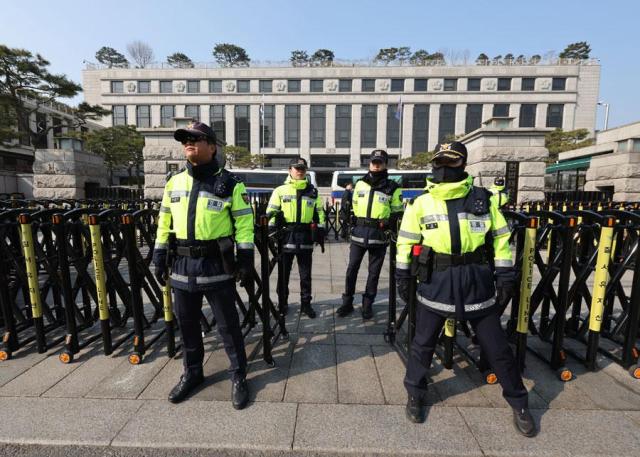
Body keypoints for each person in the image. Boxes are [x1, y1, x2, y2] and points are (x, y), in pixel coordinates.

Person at [395, 141, 536, 437]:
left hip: (476, 280)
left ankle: (519, 402)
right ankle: (415, 394)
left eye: (453, 162)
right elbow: (405, 242)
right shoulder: (420, 203)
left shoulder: (483, 200)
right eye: (441, 162)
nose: (446, 168)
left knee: (497, 349)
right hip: (436, 280)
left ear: (464, 164)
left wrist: (505, 277)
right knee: (422, 345)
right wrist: (403, 276)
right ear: (434, 164)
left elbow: (501, 240)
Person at [152, 121, 253, 409]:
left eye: (195, 138)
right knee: (187, 325)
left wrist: (245, 260)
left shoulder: (230, 184)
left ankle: (238, 376)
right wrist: (159, 256)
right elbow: (164, 222)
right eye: (184, 139)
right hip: (182, 265)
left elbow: (245, 224)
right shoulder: (174, 182)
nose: (188, 142)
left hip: (215, 265)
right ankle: (193, 373)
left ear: (212, 145)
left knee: (228, 326)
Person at [337, 149, 403, 320]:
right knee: (351, 270)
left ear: (385, 164)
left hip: (379, 237)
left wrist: (390, 229)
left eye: (380, 162)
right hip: (358, 235)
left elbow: (397, 213)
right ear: (369, 163)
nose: (376, 165)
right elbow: (350, 207)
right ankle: (347, 302)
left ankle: (367, 305)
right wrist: (348, 224)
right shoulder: (360, 184)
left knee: (374, 274)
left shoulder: (393, 188)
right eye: (374, 162)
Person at [266, 157, 326, 319]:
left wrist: (320, 231)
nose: (299, 171)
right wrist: (272, 231)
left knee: (305, 275)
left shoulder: (312, 192)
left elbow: (320, 213)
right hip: (285, 237)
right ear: (290, 170)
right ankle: (283, 303)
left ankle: (306, 304)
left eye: (302, 169)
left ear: (306, 171)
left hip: (305, 236)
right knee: (283, 274)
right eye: (296, 168)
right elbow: (270, 212)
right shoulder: (280, 190)